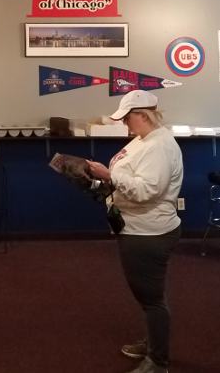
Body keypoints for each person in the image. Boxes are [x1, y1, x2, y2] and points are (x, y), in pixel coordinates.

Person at [86, 90, 183, 373]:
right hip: (138, 228)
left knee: (151, 299)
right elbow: (130, 180)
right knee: (149, 296)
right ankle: (154, 342)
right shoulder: (145, 140)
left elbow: (146, 191)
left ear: (143, 115)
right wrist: (98, 183)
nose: (126, 125)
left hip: (148, 233)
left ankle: (158, 361)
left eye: (128, 118)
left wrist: (108, 175)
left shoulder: (160, 146)